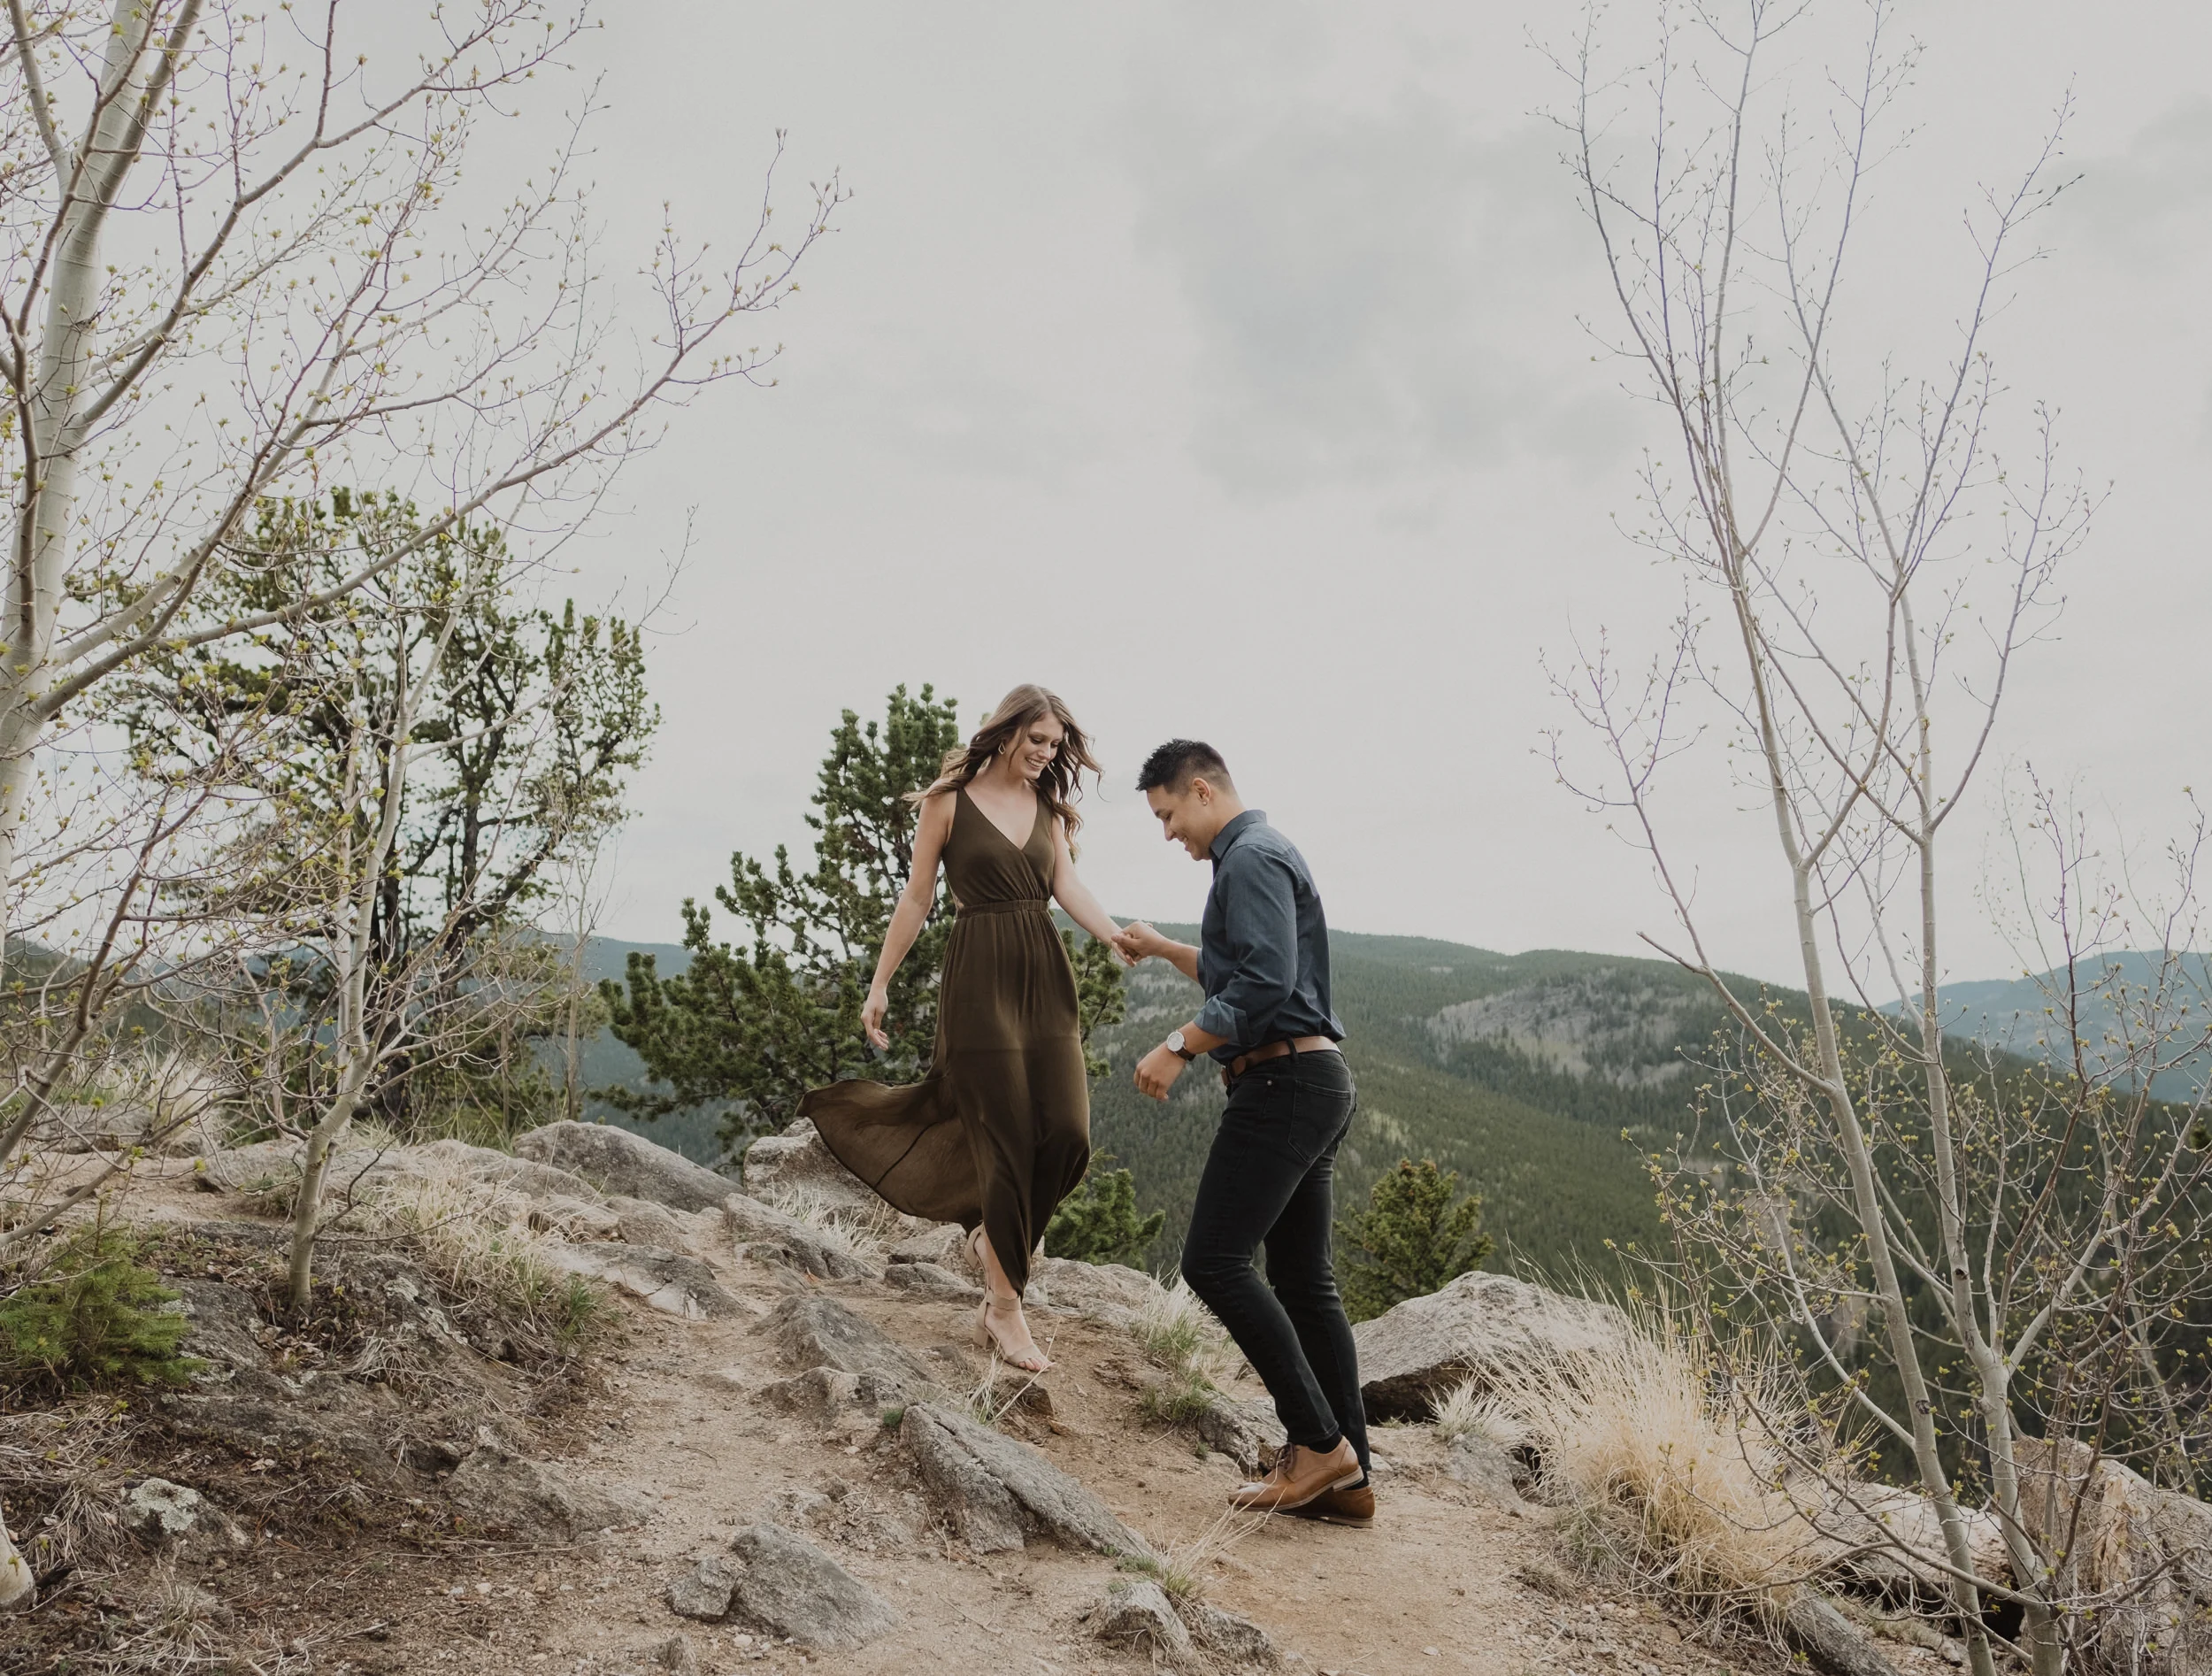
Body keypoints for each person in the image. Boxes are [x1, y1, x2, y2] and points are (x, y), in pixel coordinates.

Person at [801, 685, 1128, 1373]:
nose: (1046, 753)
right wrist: (880, 981)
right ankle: (1004, 1310)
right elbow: (918, 895)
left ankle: (992, 1243)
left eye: (1055, 744)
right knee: (1006, 1137)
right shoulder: (948, 803)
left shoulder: (1049, 810)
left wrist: (1111, 935)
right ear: (1006, 733)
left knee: (1069, 1135)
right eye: (1036, 739)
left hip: (1044, 975)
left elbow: (1067, 885)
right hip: (978, 977)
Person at [1115, 740, 1371, 1524]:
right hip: (1314, 1078)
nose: (1168, 835)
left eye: (1166, 816)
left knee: (1214, 1263)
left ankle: (1318, 1444)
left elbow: (1266, 982)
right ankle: (1349, 1476)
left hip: (1282, 1082)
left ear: (1200, 790)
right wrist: (1165, 951)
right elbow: (1246, 968)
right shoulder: (1262, 853)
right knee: (1302, 1280)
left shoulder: (1249, 857)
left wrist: (1180, 1044)